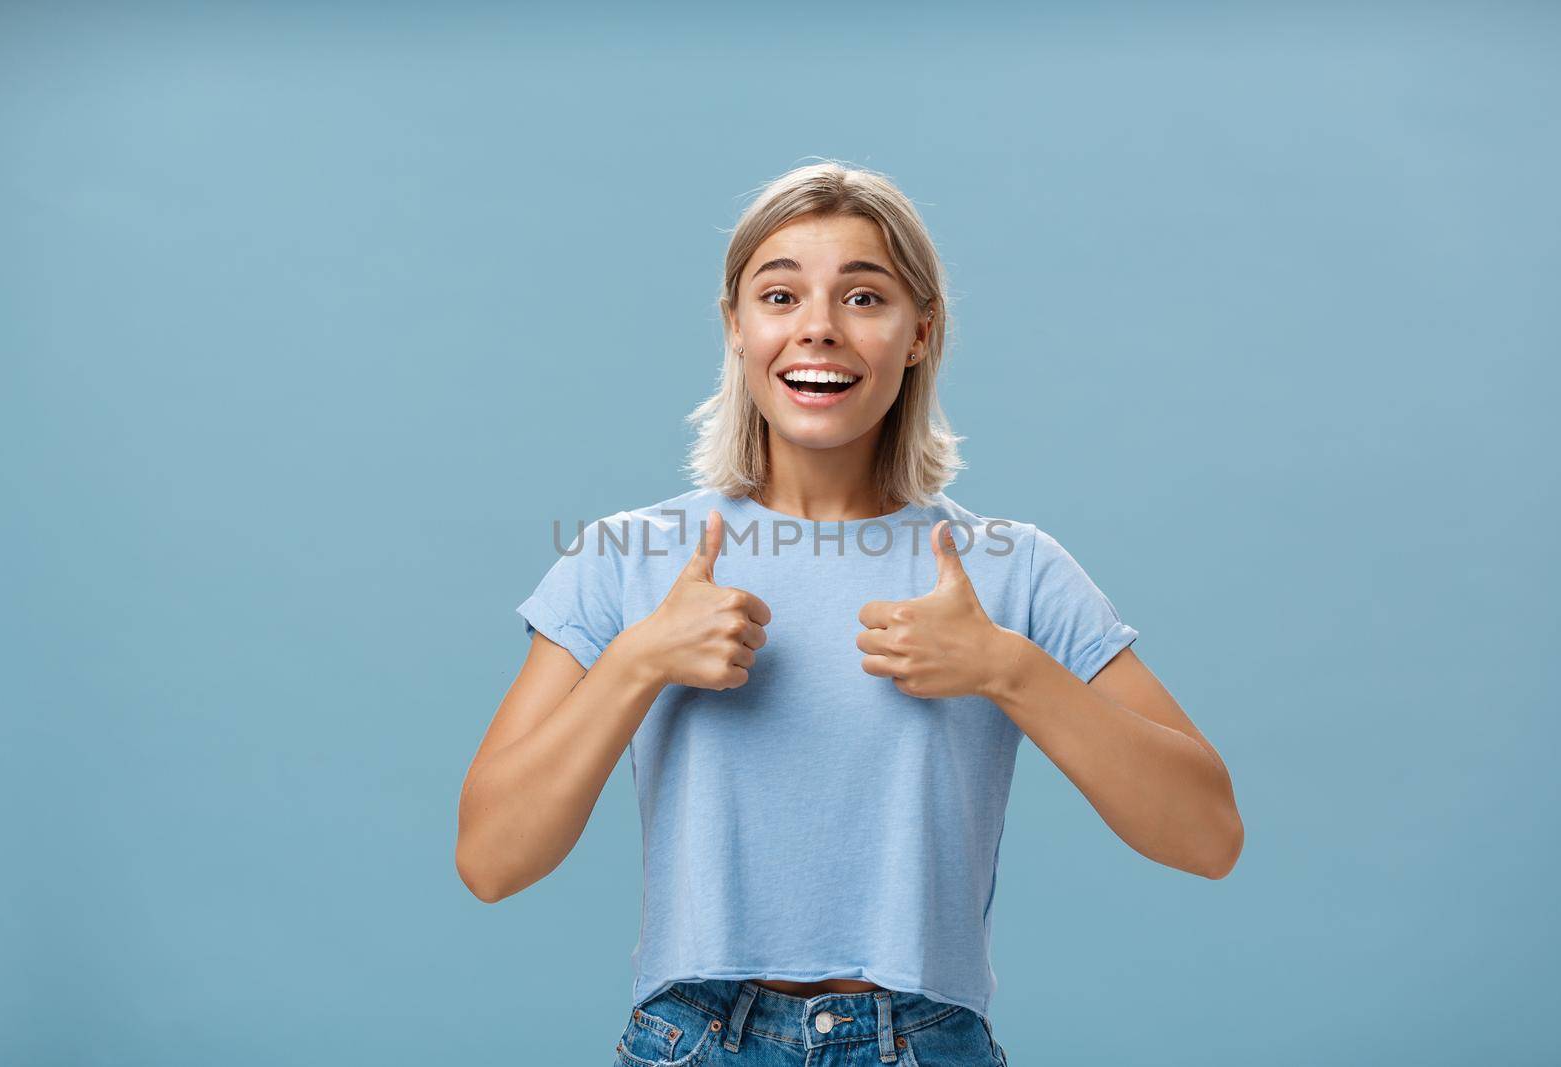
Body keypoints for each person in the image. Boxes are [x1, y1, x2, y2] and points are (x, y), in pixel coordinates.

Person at [456, 161, 1244, 1066]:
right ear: (736, 325)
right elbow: (491, 859)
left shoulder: (1010, 567)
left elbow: (1208, 835)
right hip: (694, 1039)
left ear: (919, 333)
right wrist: (639, 659)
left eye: (864, 297)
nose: (818, 328)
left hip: (924, 1040)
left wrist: (1006, 669)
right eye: (780, 294)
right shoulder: (625, 558)